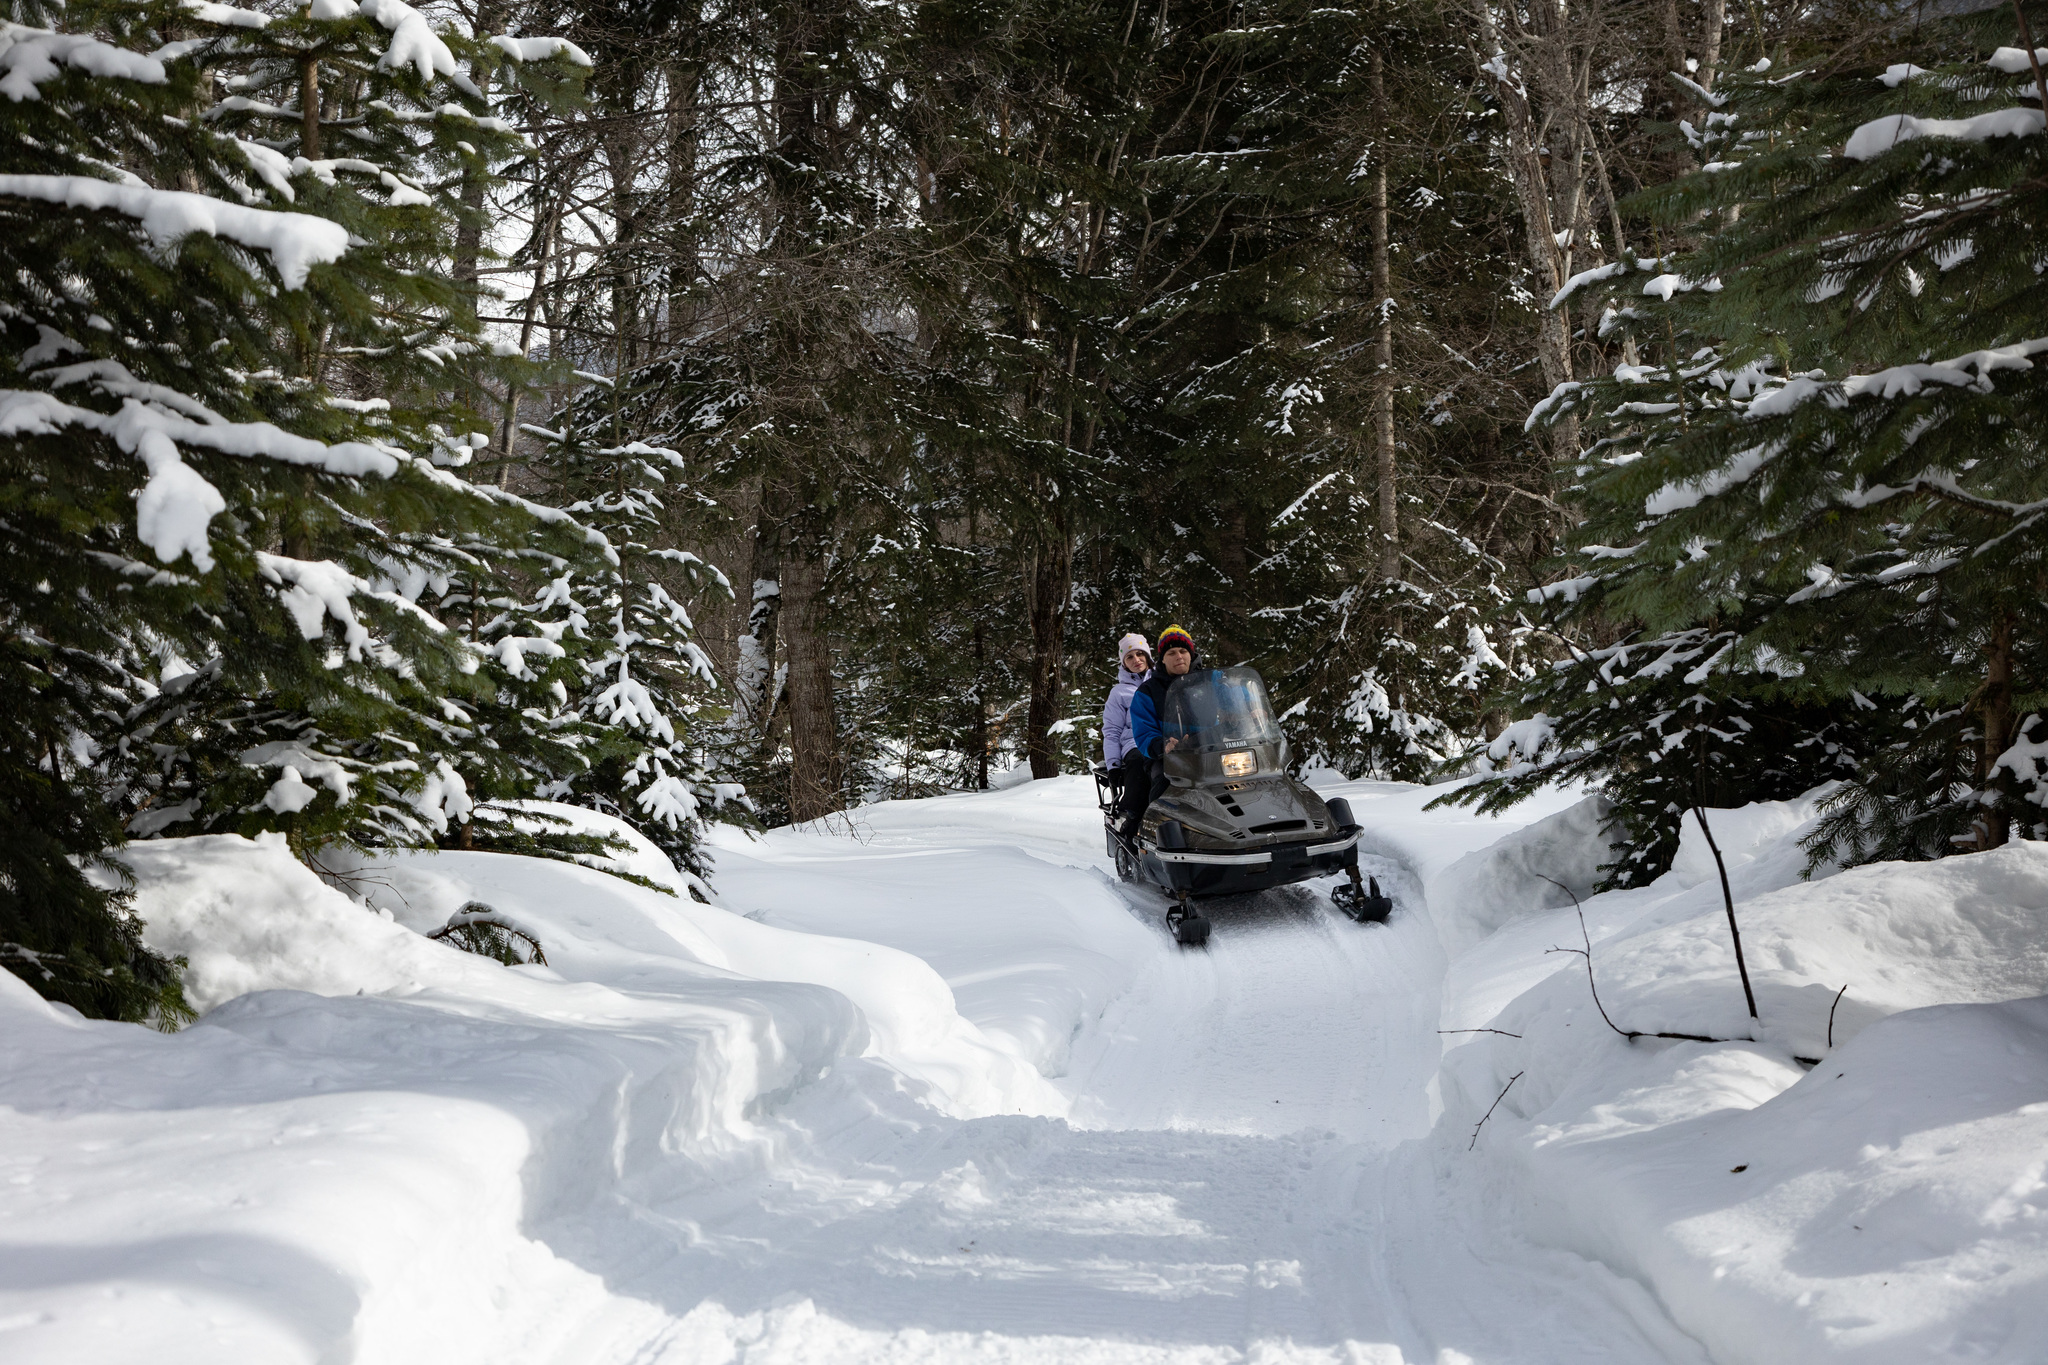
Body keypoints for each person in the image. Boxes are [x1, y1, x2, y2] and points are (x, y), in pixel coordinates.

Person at [1118, 625, 1200, 839]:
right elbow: (1143, 732)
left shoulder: (1210, 681)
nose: (1178, 656)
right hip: (1168, 755)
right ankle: (1153, 834)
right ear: (1162, 659)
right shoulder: (1147, 692)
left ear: (1191, 654)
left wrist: (1252, 709)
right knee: (1164, 781)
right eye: (1171, 653)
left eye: (1183, 651)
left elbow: (1233, 702)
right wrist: (1162, 745)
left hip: (1211, 750)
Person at [1101, 634, 1152, 771]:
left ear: (1147, 656)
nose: (1136, 659)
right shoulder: (1119, 693)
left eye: (1140, 653)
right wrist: (1113, 765)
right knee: (1138, 766)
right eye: (1129, 657)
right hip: (1135, 745)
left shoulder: (1161, 682)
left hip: (1165, 741)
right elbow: (1112, 731)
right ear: (1124, 663)